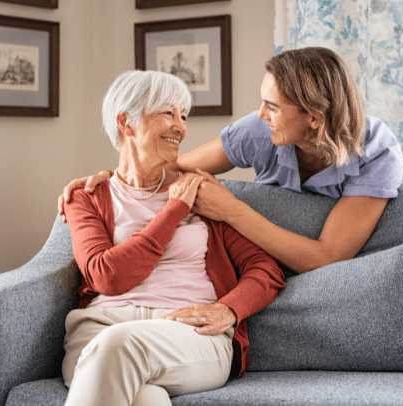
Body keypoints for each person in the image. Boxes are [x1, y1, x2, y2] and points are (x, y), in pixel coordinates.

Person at [59, 47, 403, 274]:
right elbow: (169, 171)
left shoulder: (377, 152)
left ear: (314, 117)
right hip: (258, 267)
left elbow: (328, 258)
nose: (260, 114)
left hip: (323, 277)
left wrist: (230, 209)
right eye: (262, 101)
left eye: (273, 107)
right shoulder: (259, 131)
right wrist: (111, 178)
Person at [61, 70, 285, 406]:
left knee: (118, 346)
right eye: (168, 113)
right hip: (100, 327)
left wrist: (228, 309)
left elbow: (265, 270)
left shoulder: (202, 191)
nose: (180, 127)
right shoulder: (88, 196)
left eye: (183, 116)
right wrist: (173, 212)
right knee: (147, 399)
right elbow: (106, 276)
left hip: (188, 332)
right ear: (126, 122)